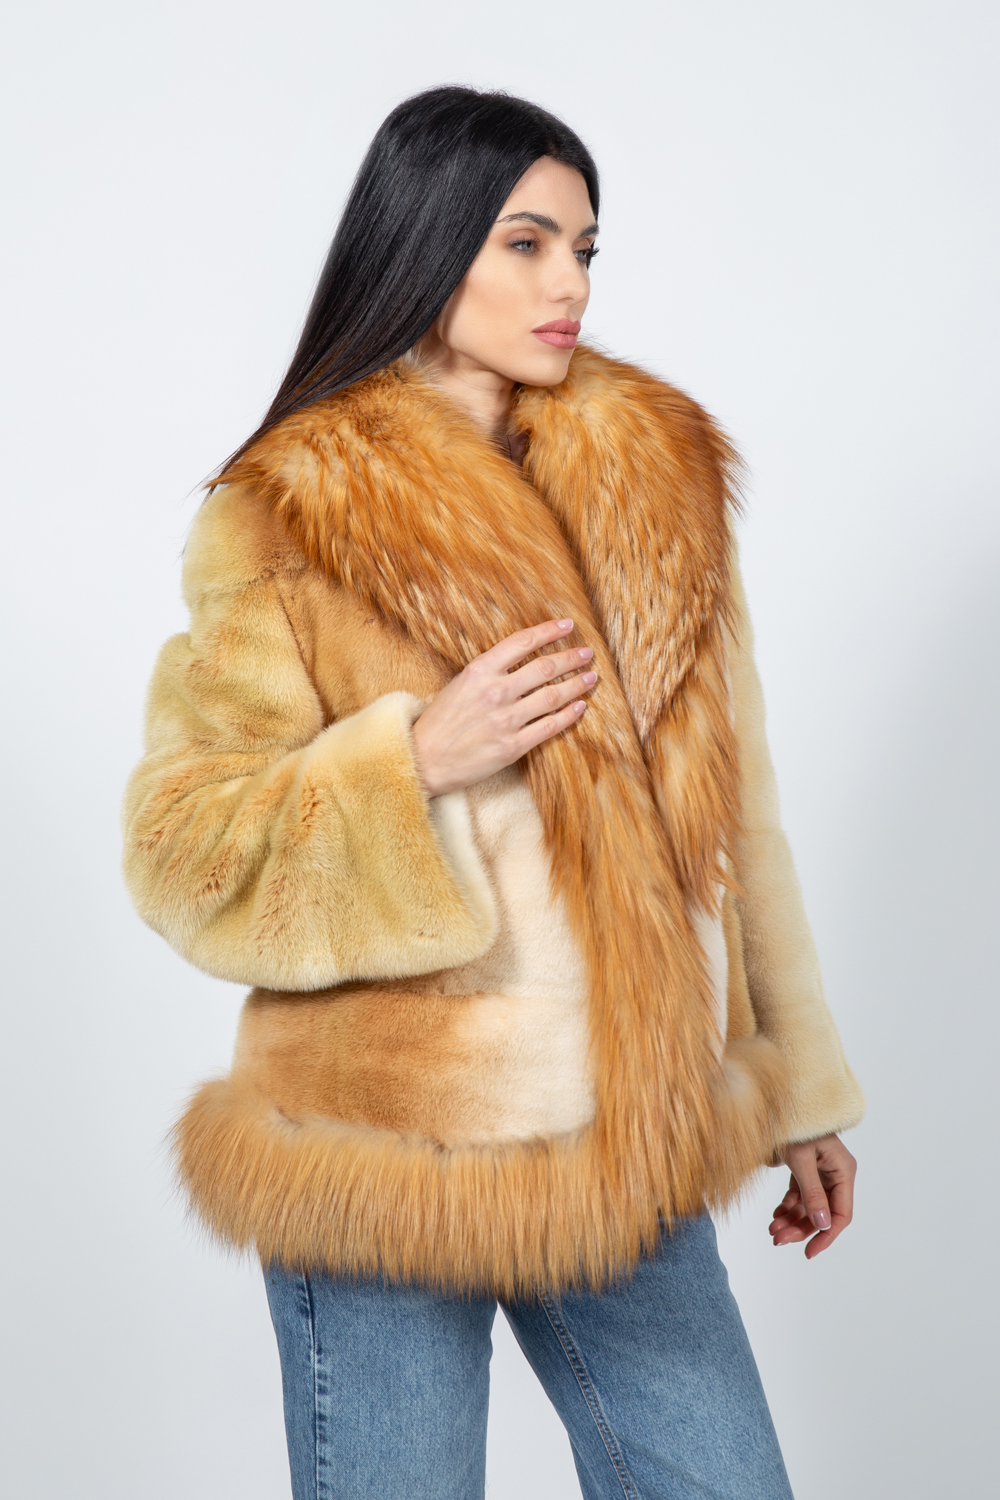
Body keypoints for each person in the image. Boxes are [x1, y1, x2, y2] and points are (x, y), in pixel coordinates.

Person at [123, 86, 864, 1500]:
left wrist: (799, 1089)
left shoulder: (658, 482)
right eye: (526, 243)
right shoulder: (285, 507)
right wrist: (410, 763)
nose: (568, 283)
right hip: (379, 1157)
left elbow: (738, 821)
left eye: (585, 248)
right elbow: (183, 847)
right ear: (425, 242)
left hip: (625, 1135)